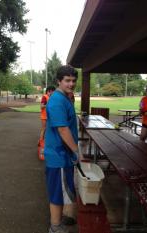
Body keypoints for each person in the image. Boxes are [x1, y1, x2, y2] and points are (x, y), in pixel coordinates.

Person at [44, 65, 82, 233]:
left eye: (73, 81)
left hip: (63, 154)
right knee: (57, 192)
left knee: (62, 190)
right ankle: (55, 227)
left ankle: (58, 220)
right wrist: (76, 150)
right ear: (59, 81)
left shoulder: (65, 97)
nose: (71, 84)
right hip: (59, 155)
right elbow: (62, 129)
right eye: (67, 80)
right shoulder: (58, 100)